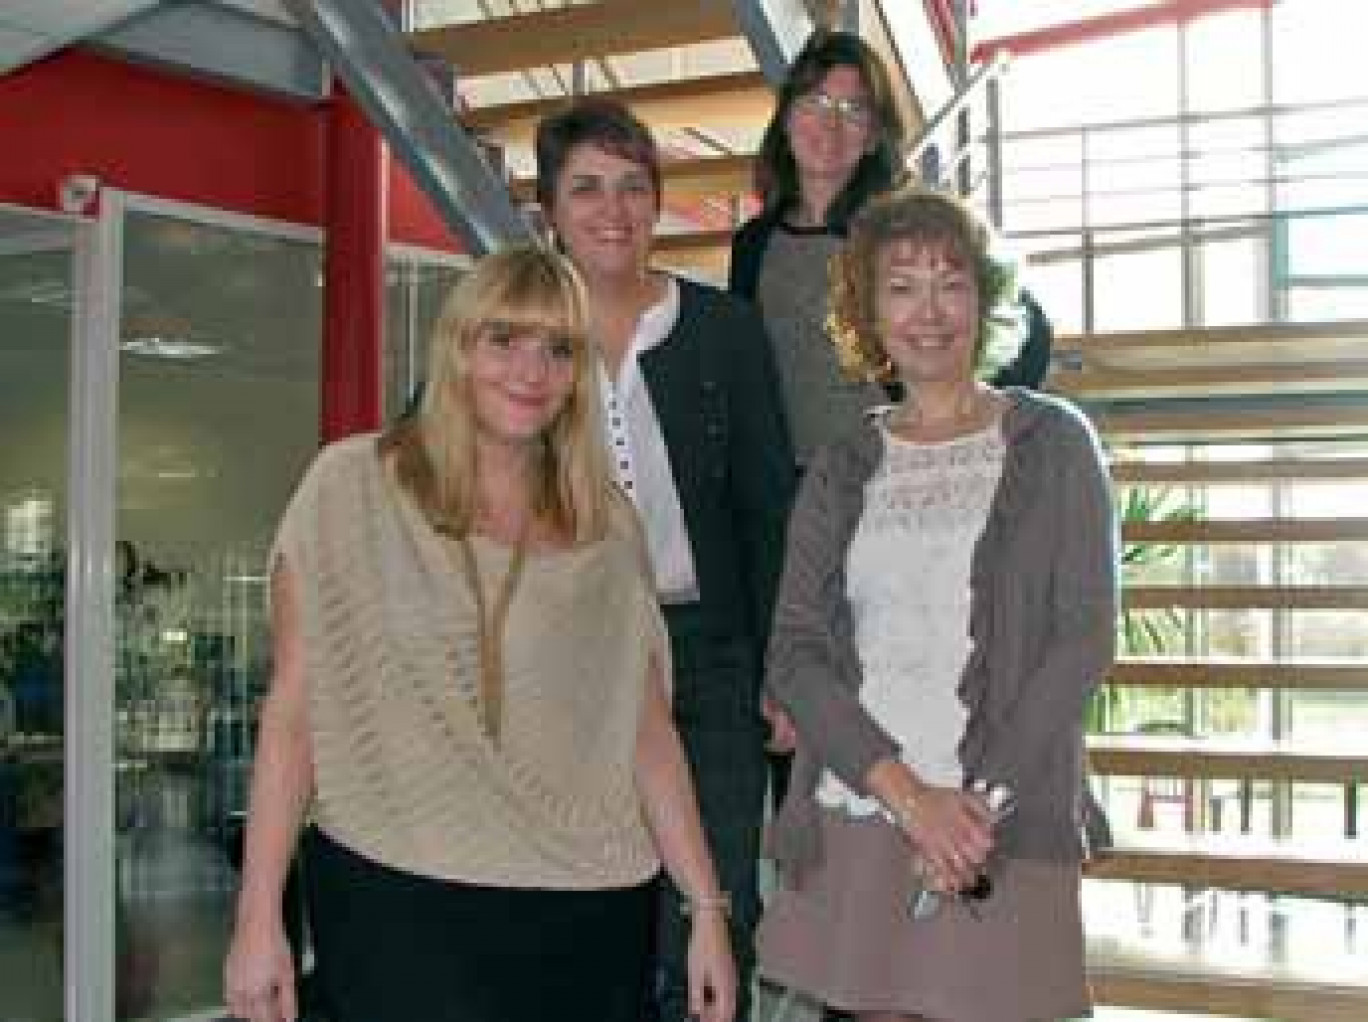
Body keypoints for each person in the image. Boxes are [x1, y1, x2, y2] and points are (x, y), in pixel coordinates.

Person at [223, 246, 736, 1022]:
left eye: (558, 348)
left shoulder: (608, 527)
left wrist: (706, 910)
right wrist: (257, 918)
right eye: (505, 339)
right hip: (394, 899)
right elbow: (293, 711)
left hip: (587, 914)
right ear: (459, 347)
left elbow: (645, 732)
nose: (531, 370)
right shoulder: (350, 487)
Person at [757, 185, 1116, 1022]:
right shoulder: (842, 465)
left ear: (985, 301)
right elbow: (797, 651)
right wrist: (911, 801)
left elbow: (1083, 637)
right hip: (870, 803)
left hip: (1003, 816)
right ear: (867, 313)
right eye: (901, 285)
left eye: (951, 281)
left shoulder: (1055, 442)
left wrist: (972, 810)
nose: (929, 310)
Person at [534, 98, 796, 1022]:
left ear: (656, 202)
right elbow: (435, 459)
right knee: (591, 899)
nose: (614, 209)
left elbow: (772, 512)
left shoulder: (724, 328)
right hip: (570, 664)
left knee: (717, 902)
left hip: (710, 658)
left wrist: (783, 671)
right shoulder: (520, 333)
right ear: (550, 211)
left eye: (634, 187)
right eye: (588, 188)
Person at [730, 29, 1053, 471]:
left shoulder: (903, 232)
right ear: (786, 119)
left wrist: (970, 425)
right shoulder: (754, 244)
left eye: (854, 109)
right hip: (799, 492)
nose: (832, 123)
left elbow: (1028, 328)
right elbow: (749, 380)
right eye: (816, 102)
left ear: (872, 137)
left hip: (903, 477)